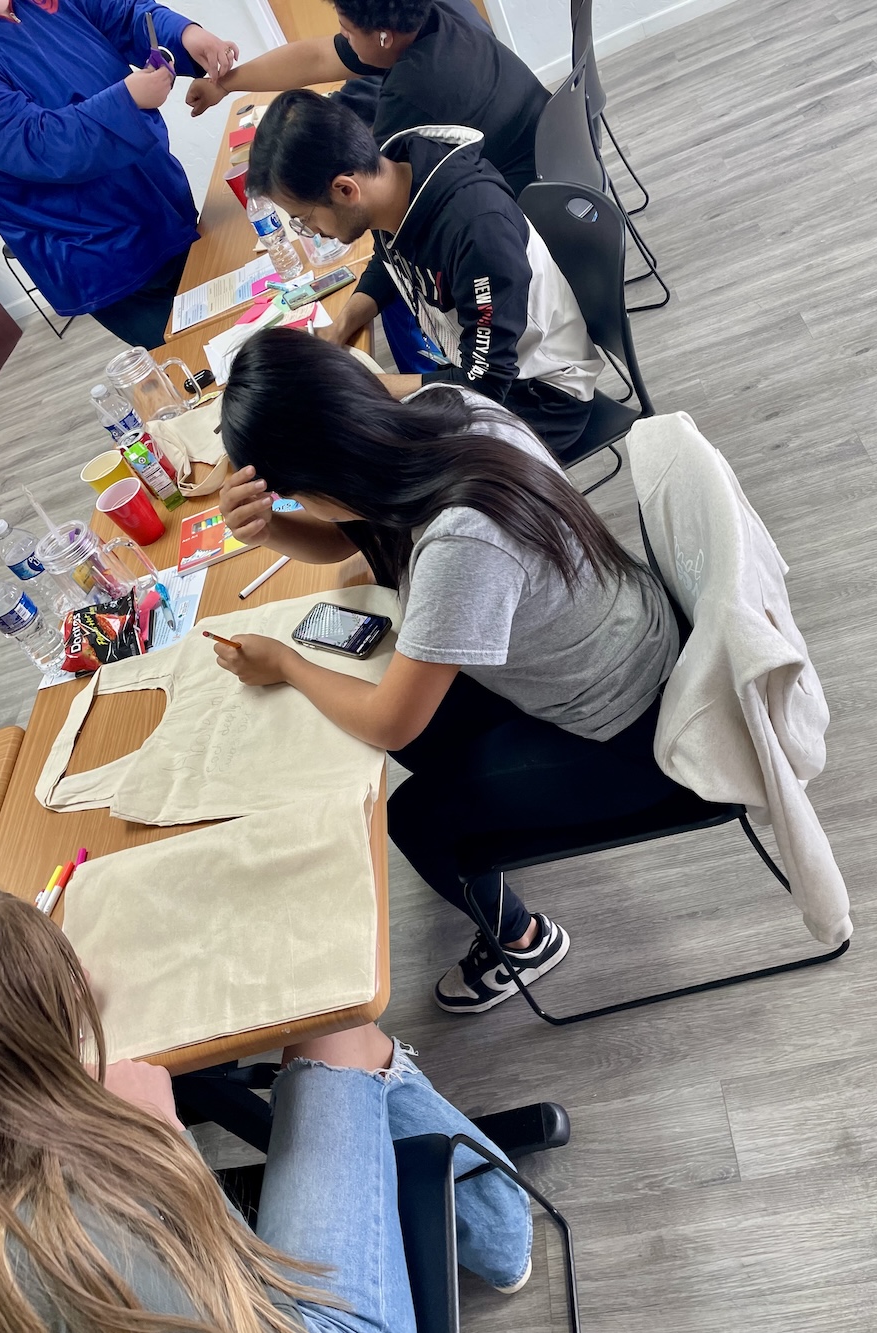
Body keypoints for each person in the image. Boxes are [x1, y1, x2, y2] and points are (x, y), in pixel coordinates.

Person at [213, 329, 682, 1014]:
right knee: (416, 738)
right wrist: (274, 518)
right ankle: (494, 822)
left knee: (415, 816)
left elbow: (386, 718)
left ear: (322, 477)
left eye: (291, 495)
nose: (290, 506)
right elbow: (352, 530)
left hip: (628, 727)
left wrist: (285, 661)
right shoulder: (442, 409)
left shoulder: (459, 543)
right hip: (614, 638)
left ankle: (522, 939)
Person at [0, 884, 532, 1333]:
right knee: (339, 1026)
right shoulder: (72, 1221)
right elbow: (228, 1290)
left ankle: (496, 1229)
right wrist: (163, 1136)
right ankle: (503, 1236)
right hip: (278, 1317)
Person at [244, 90, 604, 456]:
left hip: (542, 396)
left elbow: (483, 386)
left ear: (344, 189)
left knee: (382, 463)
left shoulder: (477, 233)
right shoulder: (393, 179)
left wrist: (363, 383)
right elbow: (388, 261)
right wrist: (339, 328)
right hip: (485, 368)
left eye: (304, 220)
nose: (313, 232)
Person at [0, 0, 239, 347]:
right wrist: (127, 99)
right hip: (99, 254)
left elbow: (126, 15)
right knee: (205, 358)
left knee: (243, 322)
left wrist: (185, 35)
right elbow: (38, 143)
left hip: (162, 208)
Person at [186, 0, 548, 198]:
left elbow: (371, 188)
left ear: (382, 37)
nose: (342, 37)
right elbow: (318, 57)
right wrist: (226, 84)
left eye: (346, 31)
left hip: (523, 197)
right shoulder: (434, 11)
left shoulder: (412, 89)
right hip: (549, 146)